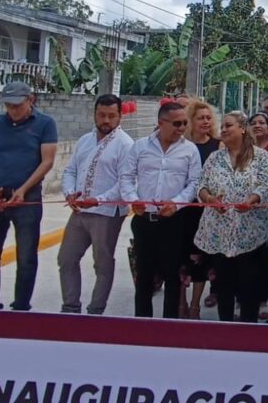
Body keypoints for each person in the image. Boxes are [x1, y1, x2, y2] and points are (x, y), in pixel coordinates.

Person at [0, 81, 58, 311]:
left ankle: (21, 305)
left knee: (26, 257)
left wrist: (23, 189)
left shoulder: (45, 124)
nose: (13, 110)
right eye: (9, 105)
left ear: (30, 100)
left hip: (27, 199)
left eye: (17, 105)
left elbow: (47, 161)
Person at [120, 100, 202, 319]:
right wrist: (133, 199)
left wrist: (176, 203)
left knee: (173, 277)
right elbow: (126, 177)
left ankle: (169, 327)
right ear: (161, 123)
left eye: (184, 123)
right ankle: (143, 325)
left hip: (173, 223)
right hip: (144, 221)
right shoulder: (140, 147)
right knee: (144, 277)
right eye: (176, 123)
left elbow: (194, 183)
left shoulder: (190, 150)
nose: (181, 128)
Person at [56, 94, 134, 315]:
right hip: (79, 211)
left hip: (107, 213)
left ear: (120, 117)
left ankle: (95, 310)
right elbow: (70, 170)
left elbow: (125, 182)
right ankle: (70, 307)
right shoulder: (85, 140)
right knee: (66, 258)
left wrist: (98, 199)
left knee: (102, 262)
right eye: (101, 115)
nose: (106, 120)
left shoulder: (125, 144)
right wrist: (70, 193)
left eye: (111, 116)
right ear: (94, 114)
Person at [195, 111, 268, 322]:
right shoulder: (215, 158)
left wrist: (251, 201)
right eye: (222, 126)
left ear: (242, 128)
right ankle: (225, 329)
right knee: (224, 286)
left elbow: (265, 185)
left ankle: (247, 331)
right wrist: (211, 199)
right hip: (219, 233)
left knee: (248, 287)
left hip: (250, 234)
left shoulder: (261, 157)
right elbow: (201, 186)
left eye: (228, 125)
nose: (223, 129)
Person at [181, 100, 221, 319]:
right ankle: (181, 303)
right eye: (200, 118)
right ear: (191, 122)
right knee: (181, 259)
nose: (205, 122)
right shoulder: (182, 145)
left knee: (200, 260)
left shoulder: (218, 145)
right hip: (183, 210)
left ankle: (195, 305)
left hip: (206, 212)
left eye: (208, 118)